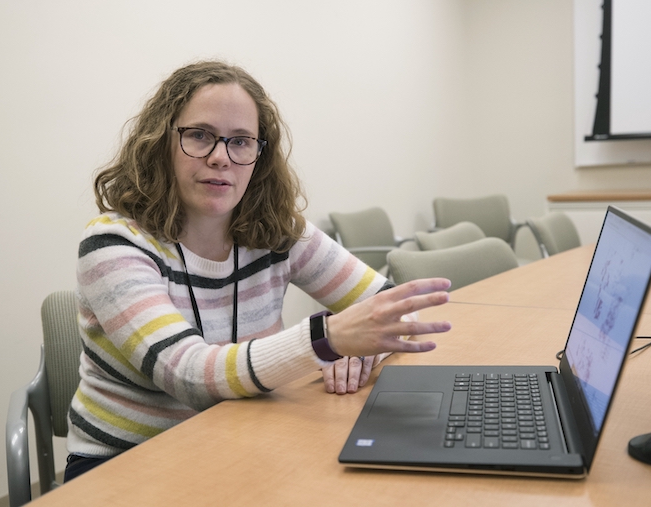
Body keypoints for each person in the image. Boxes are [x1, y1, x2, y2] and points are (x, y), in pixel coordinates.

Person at [64, 60, 452, 481]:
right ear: (161, 141)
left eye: (241, 141)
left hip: (244, 440)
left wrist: (364, 350)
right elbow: (188, 374)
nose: (220, 158)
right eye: (199, 136)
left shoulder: (277, 231)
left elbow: (395, 309)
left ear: (258, 156)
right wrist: (329, 339)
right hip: (127, 464)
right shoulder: (114, 244)